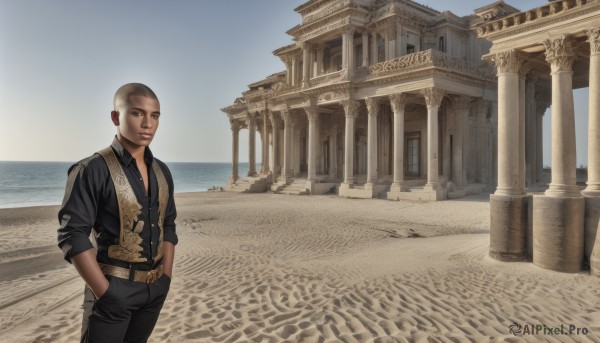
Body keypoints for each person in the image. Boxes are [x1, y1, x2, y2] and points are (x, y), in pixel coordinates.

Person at [57, 83, 178, 343]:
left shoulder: (162, 171)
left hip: (154, 290)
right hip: (113, 291)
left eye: (154, 115)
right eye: (137, 113)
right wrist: (105, 293)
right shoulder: (91, 169)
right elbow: (73, 235)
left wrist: (165, 278)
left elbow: (168, 224)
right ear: (116, 117)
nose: (148, 123)